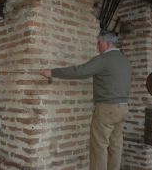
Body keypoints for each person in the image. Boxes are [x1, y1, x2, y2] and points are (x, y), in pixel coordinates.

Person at [40, 30, 131, 170]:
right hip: (123, 108)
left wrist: (52, 72)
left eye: (99, 43)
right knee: (116, 146)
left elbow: (80, 71)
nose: (97, 46)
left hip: (107, 109)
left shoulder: (104, 59)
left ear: (106, 43)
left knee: (99, 148)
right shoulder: (125, 61)